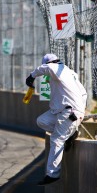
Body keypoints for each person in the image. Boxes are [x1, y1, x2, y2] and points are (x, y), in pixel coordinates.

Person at [25, 54, 87, 185]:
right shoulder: (70, 73)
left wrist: (32, 76)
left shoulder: (57, 69)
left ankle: (52, 174)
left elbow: (47, 68)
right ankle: (70, 133)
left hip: (70, 112)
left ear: (49, 63)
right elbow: (83, 93)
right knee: (42, 120)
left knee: (56, 140)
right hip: (61, 111)